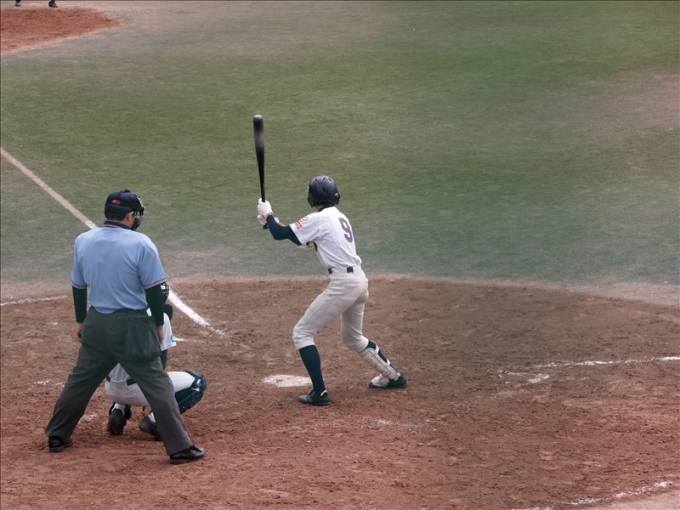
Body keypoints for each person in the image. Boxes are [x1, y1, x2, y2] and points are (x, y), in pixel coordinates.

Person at [44, 189, 205, 464]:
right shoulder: (141, 243)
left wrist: (81, 320)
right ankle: (179, 448)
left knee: (79, 382)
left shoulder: (83, 240)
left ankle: (57, 435)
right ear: (130, 216)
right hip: (132, 326)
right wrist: (158, 324)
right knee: (158, 385)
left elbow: (78, 286)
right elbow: (155, 291)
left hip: (96, 322)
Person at [256, 175, 408, 406]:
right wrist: (271, 222)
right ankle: (394, 377)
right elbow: (303, 240)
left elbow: (281, 234)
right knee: (353, 338)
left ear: (312, 197)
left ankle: (320, 393)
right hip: (359, 281)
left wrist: (268, 214)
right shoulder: (339, 217)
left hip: (343, 285)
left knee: (302, 333)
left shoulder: (318, 218)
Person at [106, 302, 208, 441]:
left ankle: (118, 408)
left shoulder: (110, 312)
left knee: (125, 368)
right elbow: (160, 366)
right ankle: (155, 421)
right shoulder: (160, 316)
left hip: (111, 388)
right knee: (197, 382)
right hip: (137, 391)